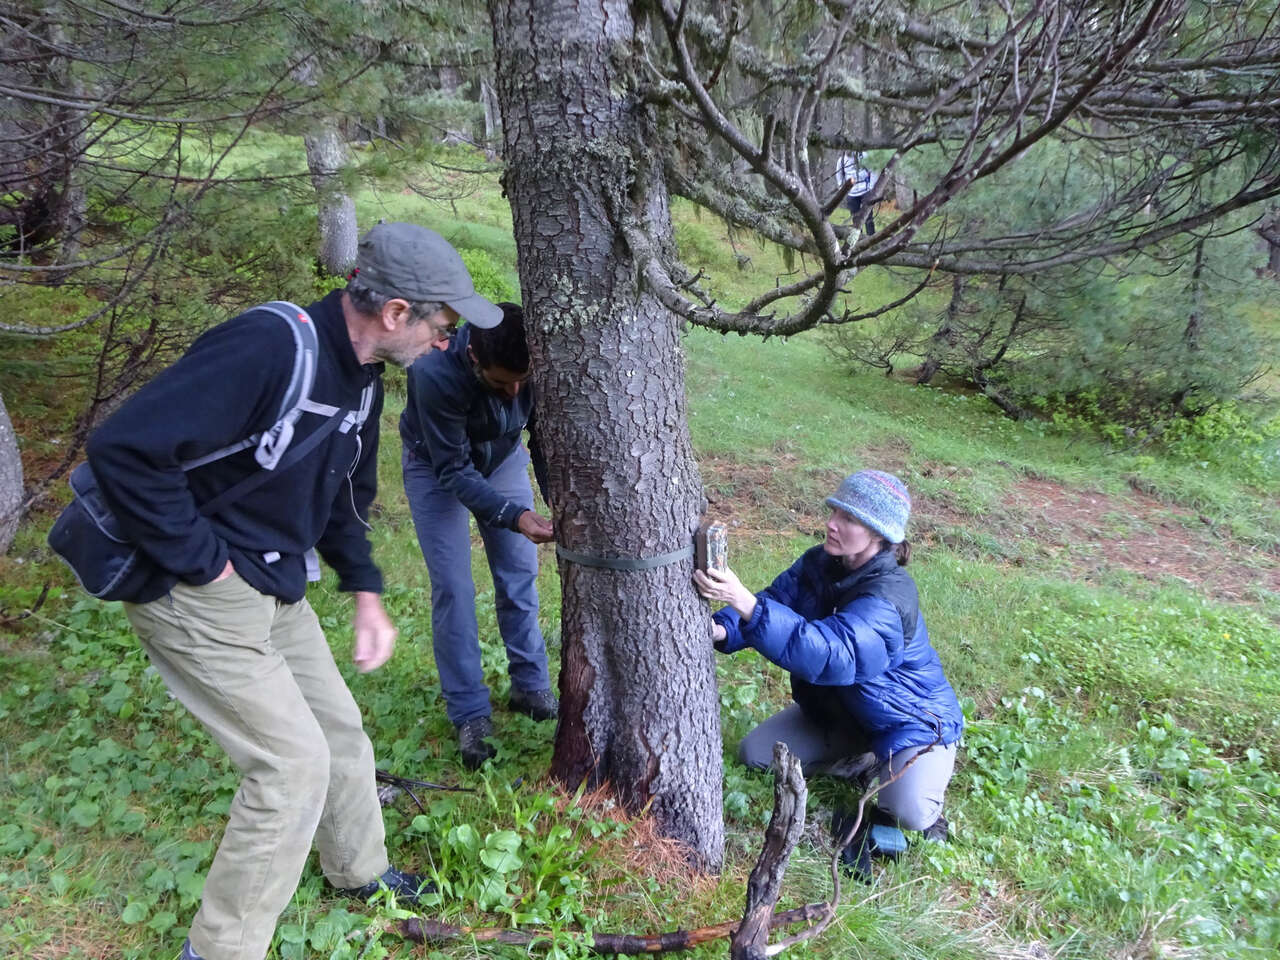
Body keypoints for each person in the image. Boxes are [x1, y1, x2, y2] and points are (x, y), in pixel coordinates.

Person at [84, 222, 502, 960]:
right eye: (445, 322)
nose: (449, 340)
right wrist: (205, 563)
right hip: (196, 594)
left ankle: (359, 872)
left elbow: (343, 499)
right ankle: (218, 951)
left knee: (340, 732)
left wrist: (367, 591)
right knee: (289, 766)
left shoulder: (365, 381)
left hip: (274, 585)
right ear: (398, 312)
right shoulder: (271, 346)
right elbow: (126, 447)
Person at [694, 469, 963, 877]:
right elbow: (775, 601)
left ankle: (907, 775)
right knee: (756, 755)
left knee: (907, 811)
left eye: (849, 519)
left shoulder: (890, 598)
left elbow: (833, 655)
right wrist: (723, 627)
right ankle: (863, 760)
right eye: (835, 510)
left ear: (879, 534)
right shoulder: (820, 563)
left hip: (911, 724)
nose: (833, 523)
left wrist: (746, 604)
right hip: (842, 715)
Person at [400, 302, 557, 768]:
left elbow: (542, 437)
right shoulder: (432, 373)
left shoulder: (535, 358)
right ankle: (470, 712)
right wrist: (515, 515)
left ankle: (530, 687)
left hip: (503, 458)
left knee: (518, 573)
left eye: (521, 382)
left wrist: (552, 498)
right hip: (435, 467)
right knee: (454, 587)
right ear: (474, 358)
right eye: (499, 382)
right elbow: (454, 470)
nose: (513, 393)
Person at [834, 150, 877, 234]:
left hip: (866, 190)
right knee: (855, 218)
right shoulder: (841, 160)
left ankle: (871, 239)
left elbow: (873, 170)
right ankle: (858, 240)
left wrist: (871, 187)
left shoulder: (863, 156)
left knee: (868, 216)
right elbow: (839, 175)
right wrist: (842, 189)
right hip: (851, 193)